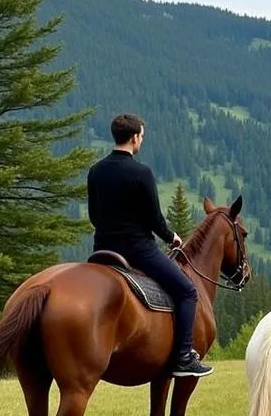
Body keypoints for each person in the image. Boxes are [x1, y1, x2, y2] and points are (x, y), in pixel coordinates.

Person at [86, 113, 211, 378]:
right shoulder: (141, 173)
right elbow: (154, 219)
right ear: (134, 138)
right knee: (188, 291)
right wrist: (172, 237)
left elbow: (94, 216)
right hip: (137, 250)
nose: (141, 140)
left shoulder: (96, 171)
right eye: (141, 136)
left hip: (102, 249)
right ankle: (184, 356)